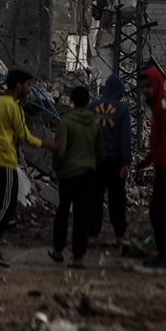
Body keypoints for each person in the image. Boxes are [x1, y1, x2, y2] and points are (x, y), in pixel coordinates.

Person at [0, 69, 59, 266]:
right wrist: (46, 144)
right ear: (18, 86)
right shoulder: (13, 107)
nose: (30, 90)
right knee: (8, 206)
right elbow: (25, 137)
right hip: (4, 162)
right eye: (28, 85)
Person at [135, 67, 166, 270]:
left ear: (157, 85)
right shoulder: (160, 107)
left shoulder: (163, 107)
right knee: (165, 211)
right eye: (143, 88)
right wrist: (146, 162)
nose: (145, 91)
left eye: (148, 86)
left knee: (158, 211)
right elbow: (158, 144)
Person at [49, 86, 104, 269]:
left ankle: (58, 251)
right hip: (87, 175)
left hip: (68, 174)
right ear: (89, 100)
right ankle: (78, 258)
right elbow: (99, 152)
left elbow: (60, 149)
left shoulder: (66, 123)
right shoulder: (94, 124)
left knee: (63, 212)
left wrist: (57, 167)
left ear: (71, 100)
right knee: (82, 216)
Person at [88, 74, 132, 249]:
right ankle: (120, 236)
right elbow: (125, 139)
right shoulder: (122, 110)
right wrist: (126, 162)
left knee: (95, 199)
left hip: (95, 161)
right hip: (115, 162)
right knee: (117, 200)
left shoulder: (92, 107)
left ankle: (92, 237)